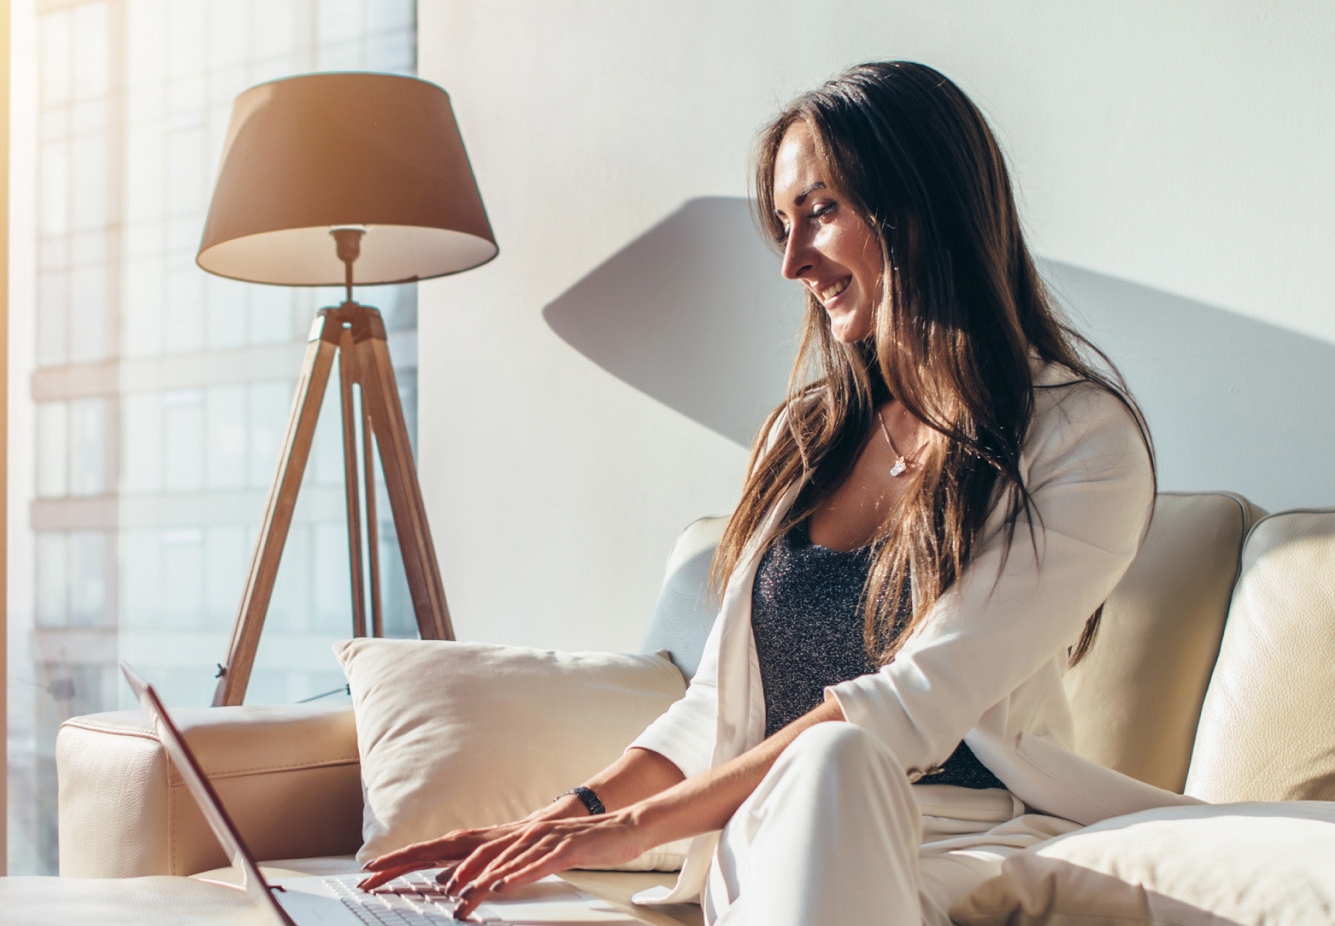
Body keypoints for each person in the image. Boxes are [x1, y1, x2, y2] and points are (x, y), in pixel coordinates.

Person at [355, 60, 1203, 925]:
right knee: (820, 773)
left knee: (837, 760)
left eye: (820, 212)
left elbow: (912, 704)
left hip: (963, 846)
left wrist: (628, 831)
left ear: (920, 203)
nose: (794, 260)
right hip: (765, 842)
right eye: (782, 225)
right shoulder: (803, 440)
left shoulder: (1080, 440)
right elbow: (715, 708)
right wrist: (561, 820)